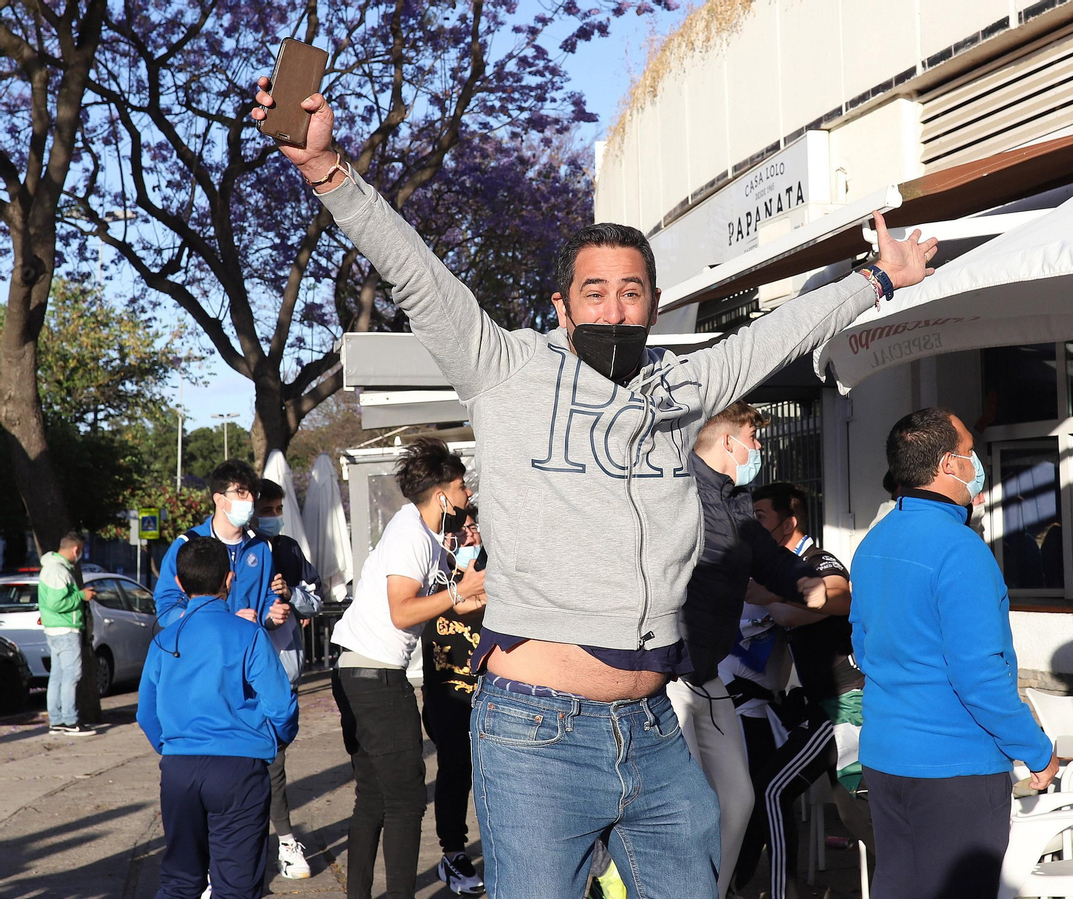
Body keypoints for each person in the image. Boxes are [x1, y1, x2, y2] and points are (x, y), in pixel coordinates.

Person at [252, 76, 936, 899]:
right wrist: (328, 170)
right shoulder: (502, 368)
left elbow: (774, 334)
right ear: (563, 307)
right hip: (538, 733)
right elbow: (418, 273)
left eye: (633, 291)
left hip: (654, 725)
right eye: (595, 291)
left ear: (653, 304)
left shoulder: (678, 390)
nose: (616, 307)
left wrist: (878, 280)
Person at [849, 408, 1059, 899]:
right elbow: (980, 674)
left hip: (885, 755)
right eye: (970, 451)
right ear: (948, 464)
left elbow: (862, 645)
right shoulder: (960, 548)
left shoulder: (875, 540)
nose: (976, 461)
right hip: (955, 766)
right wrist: (1035, 750)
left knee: (897, 885)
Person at [674, 402, 826, 898]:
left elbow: (772, 558)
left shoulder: (734, 503)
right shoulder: (674, 494)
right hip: (668, 677)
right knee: (687, 809)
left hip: (708, 677)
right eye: (752, 439)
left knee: (737, 802)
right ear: (726, 443)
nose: (758, 448)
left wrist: (806, 580)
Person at [331, 438, 486, 899]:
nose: (466, 497)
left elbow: (445, 604)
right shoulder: (410, 536)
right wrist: (461, 593)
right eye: (461, 488)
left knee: (375, 798)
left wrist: (475, 592)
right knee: (406, 800)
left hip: (360, 669)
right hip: (374, 675)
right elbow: (402, 611)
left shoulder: (425, 534)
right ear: (441, 495)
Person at [137, 536, 299, 899]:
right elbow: (281, 704)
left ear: (178, 584)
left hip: (179, 768)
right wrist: (274, 741)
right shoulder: (248, 634)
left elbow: (146, 711)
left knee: (179, 880)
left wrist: (172, 746)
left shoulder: (164, 640)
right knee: (236, 885)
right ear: (229, 580)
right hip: (238, 768)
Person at [734, 482, 867, 899]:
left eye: (761, 519)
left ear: (789, 523)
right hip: (815, 706)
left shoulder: (816, 560)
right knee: (770, 790)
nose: (752, 527)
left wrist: (775, 593)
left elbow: (842, 596)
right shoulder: (773, 570)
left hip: (847, 707)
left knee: (771, 790)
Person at [255, 478, 324, 881]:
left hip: (283, 674)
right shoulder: (237, 553)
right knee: (244, 770)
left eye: (278, 509)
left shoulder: (288, 549)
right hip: (244, 679)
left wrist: (291, 592)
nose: (274, 517)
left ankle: (284, 839)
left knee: (276, 763)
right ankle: (238, 846)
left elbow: (314, 599)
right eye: (267, 510)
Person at [421, 506, 487, 896]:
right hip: (446, 693)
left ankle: (500, 843)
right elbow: (454, 604)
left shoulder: (490, 573)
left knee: (495, 775)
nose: (471, 537)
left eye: (475, 529)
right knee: (455, 768)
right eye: (463, 531)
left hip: (487, 694)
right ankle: (453, 852)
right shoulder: (434, 577)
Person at [154, 460, 285, 630]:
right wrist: (221, 621)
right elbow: (167, 607)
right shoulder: (187, 545)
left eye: (252, 492)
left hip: (248, 649)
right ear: (219, 499)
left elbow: (269, 597)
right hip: (204, 650)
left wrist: (272, 616)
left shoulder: (261, 546)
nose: (251, 499)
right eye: (241, 492)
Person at [38, 532, 97, 736]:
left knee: (58, 675)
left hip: (56, 629)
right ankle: (69, 721)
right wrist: (82, 596)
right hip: (65, 629)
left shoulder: (53, 567)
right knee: (71, 675)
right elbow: (57, 603)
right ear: (76, 549)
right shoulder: (57, 570)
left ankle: (57, 720)